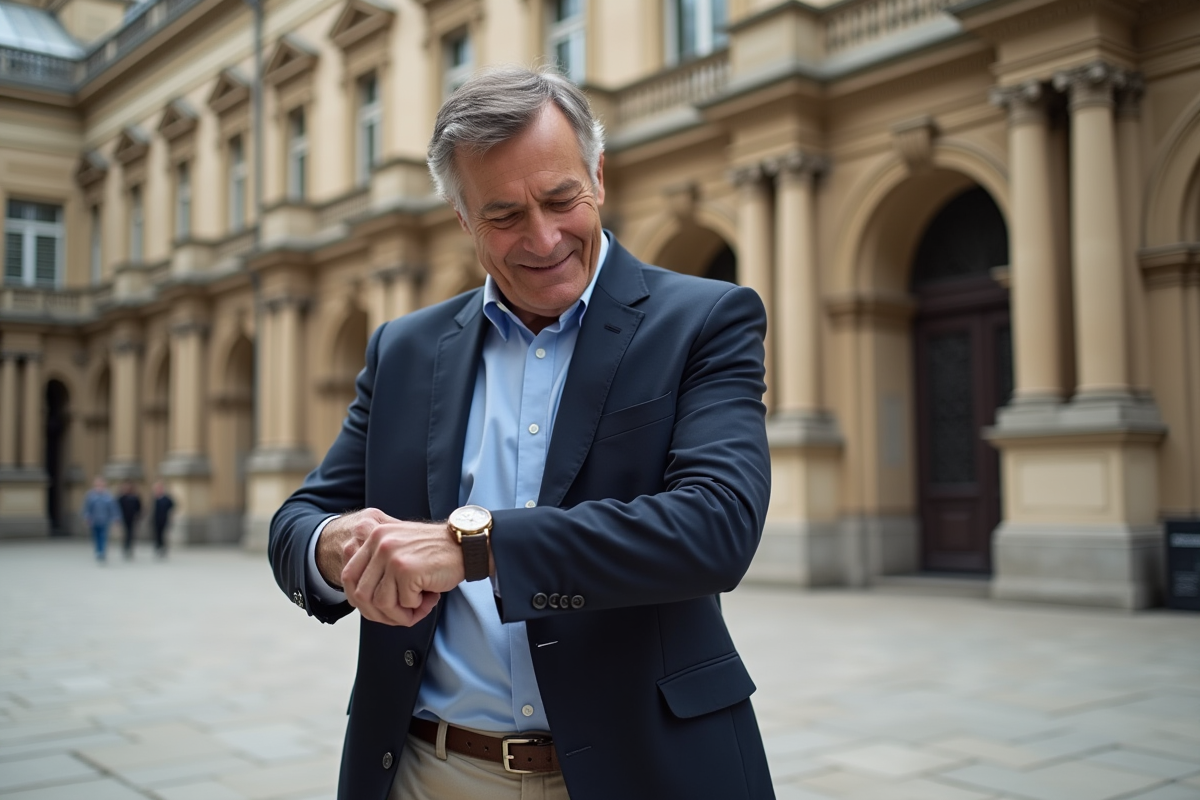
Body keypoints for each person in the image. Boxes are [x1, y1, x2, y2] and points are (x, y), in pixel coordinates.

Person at [269, 67, 774, 800]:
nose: (543, 238)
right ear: (462, 217)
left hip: (644, 767)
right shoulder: (405, 349)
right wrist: (336, 544)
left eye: (561, 199)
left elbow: (716, 527)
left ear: (597, 176)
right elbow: (295, 525)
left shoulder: (706, 319)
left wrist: (471, 548)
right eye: (503, 215)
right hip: (425, 770)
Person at [82, 476, 119, 562]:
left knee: (103, 536)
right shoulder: (90, 495)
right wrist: (87, 517)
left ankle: (102, 552)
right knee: (96, 536)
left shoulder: (108, 496)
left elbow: (113, 508)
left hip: (105, 520)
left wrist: (116, 518)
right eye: (98, 484)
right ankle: (98, 550)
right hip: (94, 520)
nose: (100, 486)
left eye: (101, 484)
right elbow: (87, 508)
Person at [117, 480, 142, 559]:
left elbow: (139, 507)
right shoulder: (121, 498)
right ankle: (125, 547)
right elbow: (117, 508)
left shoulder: (134, 497)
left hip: (132, 519)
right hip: (123, 518)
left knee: (130, 534)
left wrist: (138, 515)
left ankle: (129, 548)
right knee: (125, 534)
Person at [151, 481, 175, 558]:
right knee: (157, 534)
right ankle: (158, 547)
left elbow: (172, 506)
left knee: (163, 534)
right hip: (156, 520)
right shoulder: (154, 498)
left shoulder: (166, 498)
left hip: (164, 519)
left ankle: (163, 547)